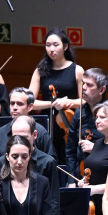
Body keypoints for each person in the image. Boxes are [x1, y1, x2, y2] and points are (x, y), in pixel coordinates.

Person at [28, 29, 84, 173]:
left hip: (69, 122)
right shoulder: (40, 70)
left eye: (55, 45)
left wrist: (67, 102)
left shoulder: (77, 70)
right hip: (47, 122)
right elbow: (29, 101)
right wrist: (52, 103)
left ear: (65, 46)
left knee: (68, 158)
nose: (51, 49)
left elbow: (84, 101)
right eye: (48, 45)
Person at [0, 116, 59, 215]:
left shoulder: (48, 162)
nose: (19, 142)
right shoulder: (2, 161)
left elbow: (53, 202)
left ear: (34, 135)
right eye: (15, 137)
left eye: (24, 137)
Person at [72, 99, 108, 209]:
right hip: (93, 203)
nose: (97, 121)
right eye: (96, 117)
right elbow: (93, 172)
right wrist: (84, 182)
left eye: (102, 117)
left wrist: (93, 189)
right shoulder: (97, 144)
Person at [0, 88, 55, 177]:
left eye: (19, 104)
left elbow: (50, 164)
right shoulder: (0, 133)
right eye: (12, 103)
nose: (14, 107)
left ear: (30, 107)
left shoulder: (41, 132)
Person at [65, 67, 108, 181]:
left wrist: (96, 148)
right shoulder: (79, 113)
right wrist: (71, 180)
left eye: (89, 85)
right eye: (83, 83)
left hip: (105, 177)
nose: (84, 88)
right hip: (80, 176)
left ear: (101, 90)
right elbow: (70, 150)